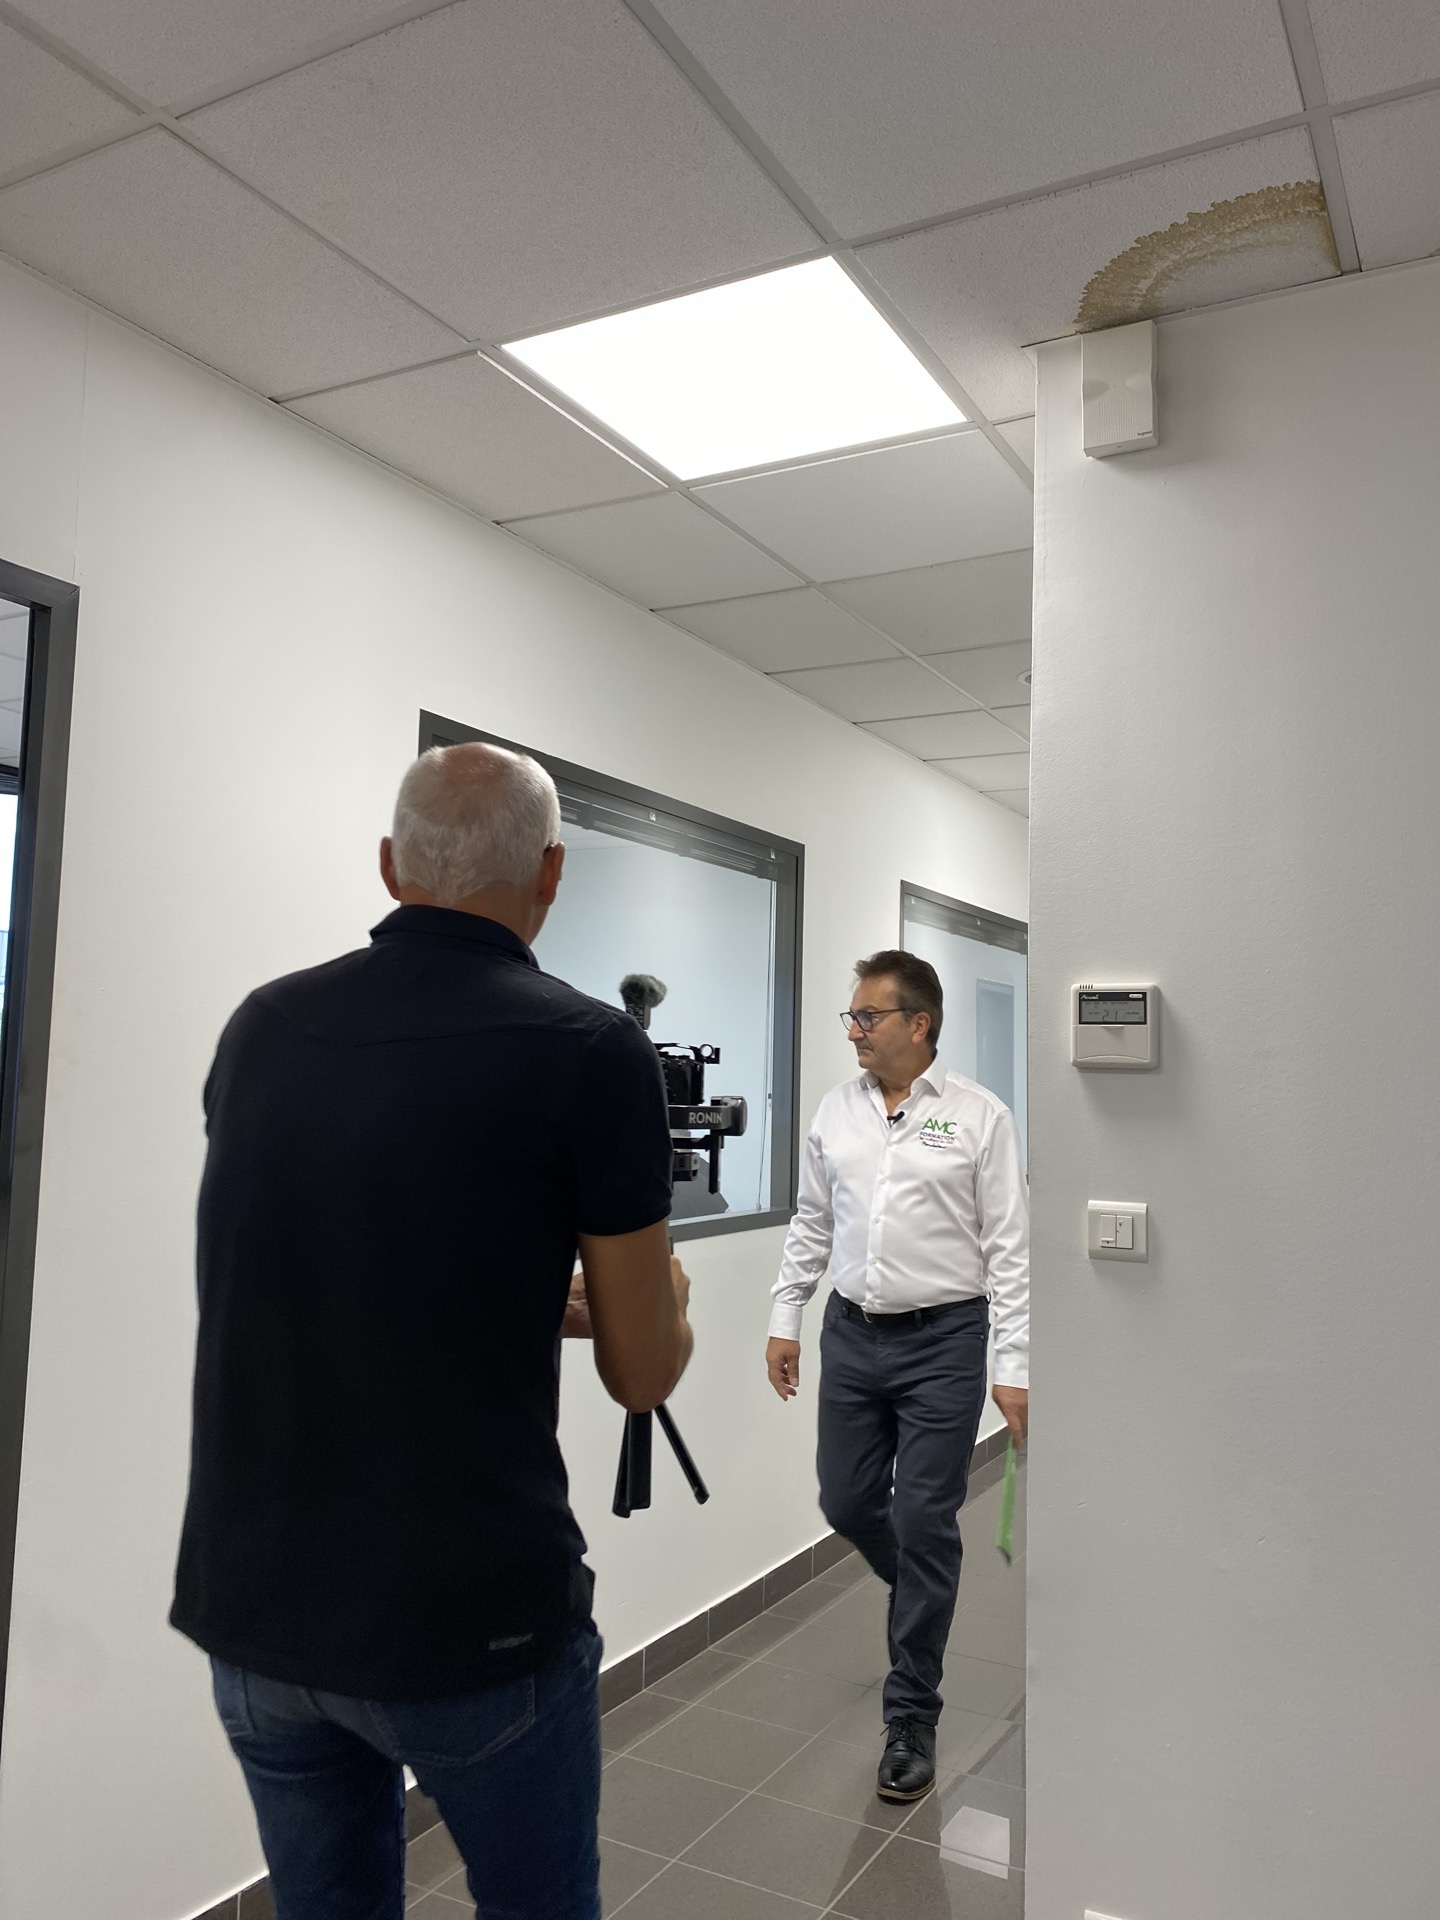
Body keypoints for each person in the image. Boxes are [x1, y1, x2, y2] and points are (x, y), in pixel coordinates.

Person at [171, 742, 692, 1920]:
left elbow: (341, 1248)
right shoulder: (591, 1048)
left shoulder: (263, 1024)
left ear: (388, 864)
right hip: (470, 1621)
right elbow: (642, 1373)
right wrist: (669, 1301)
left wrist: (520, 1294)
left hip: (258, 1611)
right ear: (550, 873)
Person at [765, 950, 1028, 1804]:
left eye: (867, 1017)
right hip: (851, 1335)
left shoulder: (980, 1117)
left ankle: (911, 1714)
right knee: (846, 1502)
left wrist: (1013, 1367)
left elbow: (1010, 1252)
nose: (854, 1031)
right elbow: (812, 1222)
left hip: (943, 1342)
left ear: (919, 1023)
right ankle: (921, 1581)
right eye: (852, 1017)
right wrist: (785, 1316)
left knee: (922, 1517)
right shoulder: (835, 1111)